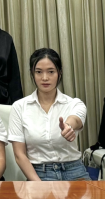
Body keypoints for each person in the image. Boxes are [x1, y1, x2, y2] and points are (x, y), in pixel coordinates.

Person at [9, 48, 91, 181]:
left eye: (51, 71)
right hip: (39, 173)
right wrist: (39, 184)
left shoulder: (74, 103)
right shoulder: (19, 107)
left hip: (74, 170)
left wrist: (68, 126)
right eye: (38, 72)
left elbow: (76, 119)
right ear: (32, 73)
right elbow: (19, 155)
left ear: (59, 73)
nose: (45, 78)